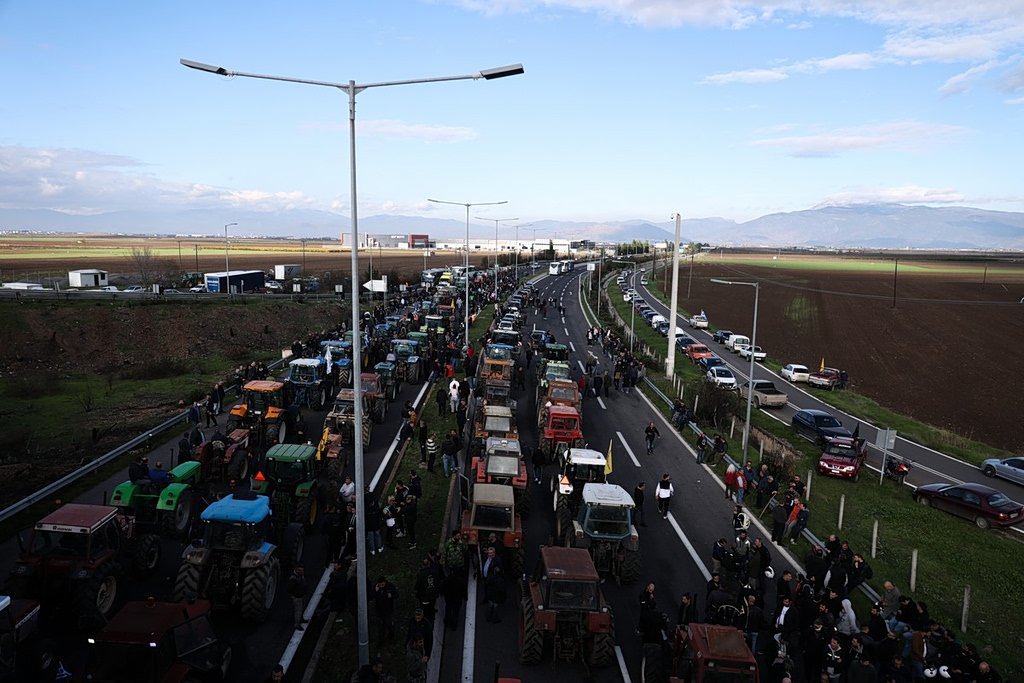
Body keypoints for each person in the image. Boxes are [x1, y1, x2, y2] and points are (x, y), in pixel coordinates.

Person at [373, 575, 399, 646]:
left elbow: (396, 595)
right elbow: (370, 596)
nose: (381, 586)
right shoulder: (376, 587)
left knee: (389, 624)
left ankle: (391, 635)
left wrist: (391, 596)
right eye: (380, 585)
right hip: (379, 610)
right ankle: (380, 642)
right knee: (381, 627)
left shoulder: (390, 586)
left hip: (388, 610)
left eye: (382, 584)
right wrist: (376, 592)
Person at [288, 564, 308, 631]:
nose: (302, 572)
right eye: (301, 570)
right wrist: (295, 595)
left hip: (302, 595)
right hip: (297, 597)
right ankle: (297, 624)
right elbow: (289, 588)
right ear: (297, 570)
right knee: (298, 611)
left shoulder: (300, 575)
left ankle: (301, 619)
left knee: (302, 608)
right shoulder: (293, 579)